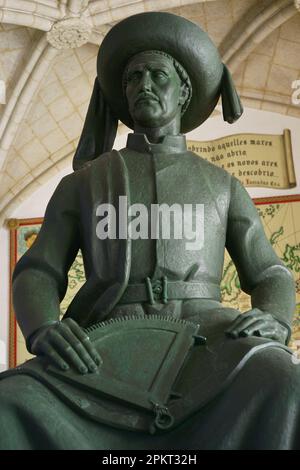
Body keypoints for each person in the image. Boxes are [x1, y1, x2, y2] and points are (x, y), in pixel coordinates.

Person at [0, 12, 299, 450]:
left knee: (284, 381)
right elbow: (38, 270)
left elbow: (270, 273)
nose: (143, 84)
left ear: (183, 93)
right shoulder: (82, 185)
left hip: (209, 344)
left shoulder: (222, 186)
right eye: (133, 77)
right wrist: (43, 327)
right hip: (103, 345)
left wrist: (273, 317)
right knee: (9, 401)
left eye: (158, 75)